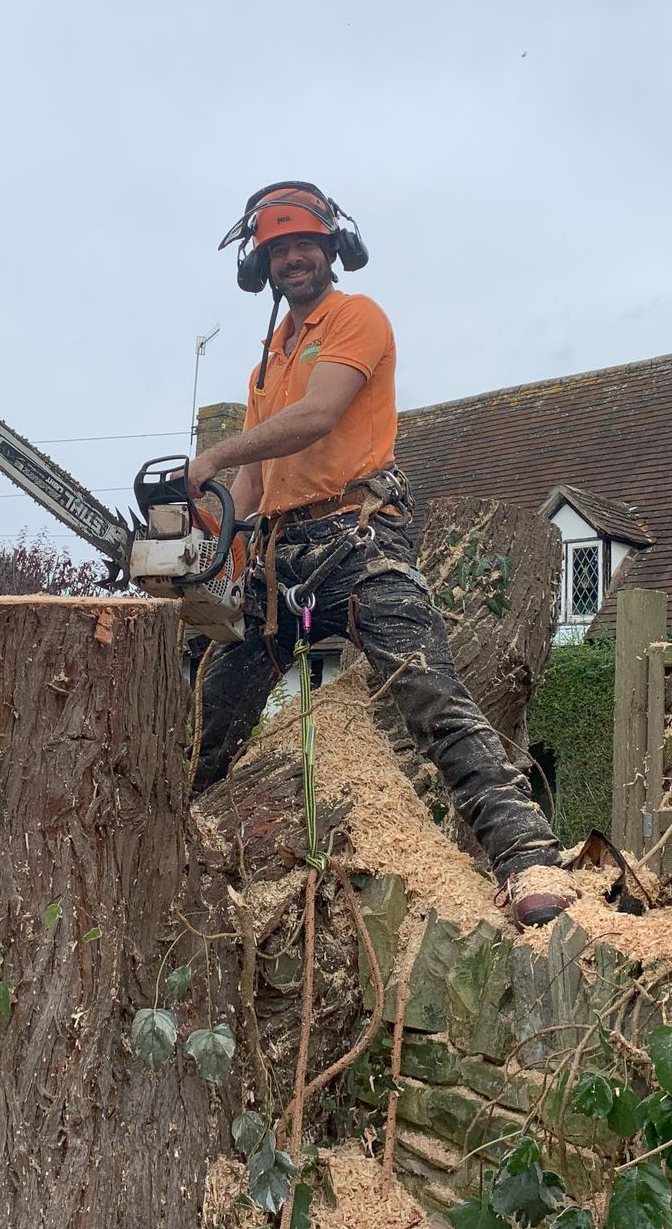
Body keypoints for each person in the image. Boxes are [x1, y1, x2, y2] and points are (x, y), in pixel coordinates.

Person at [186, 182, 575, 928]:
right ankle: (173, 835)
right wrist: (219, 537)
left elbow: (320, 416)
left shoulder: (356, 319)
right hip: (281, 551)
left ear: (333, 249)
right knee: (213, 704)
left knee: (429, 691)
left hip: (357, 537)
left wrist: (216, 454)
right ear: (261, 264)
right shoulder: (268, 360)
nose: (292, 258)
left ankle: (526, 854)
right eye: (277, 249)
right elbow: (254, 480)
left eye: (303, 244)